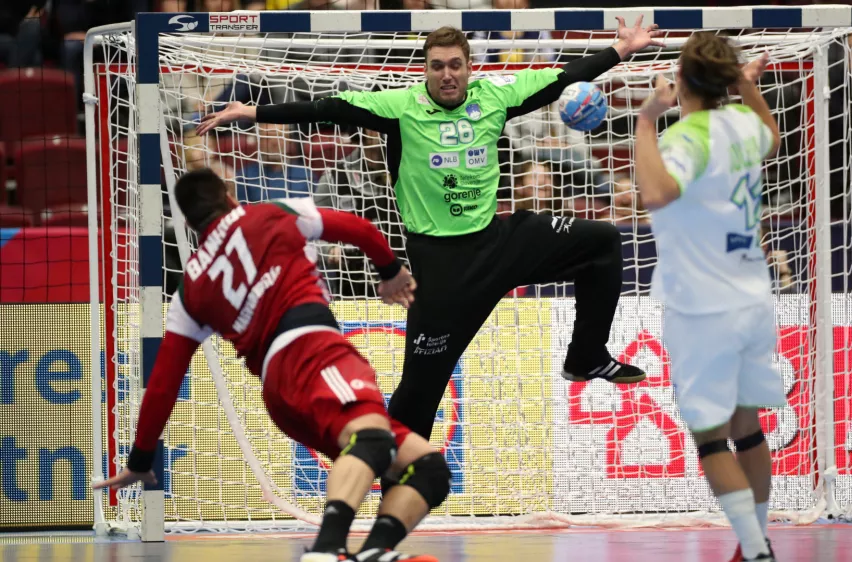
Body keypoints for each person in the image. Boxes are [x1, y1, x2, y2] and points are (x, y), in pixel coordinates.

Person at [196, 17, 664, 441]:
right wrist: (252, 114)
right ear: (425, 70)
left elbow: (563, 77)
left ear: (469, 68)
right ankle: (386, 485)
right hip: (442, 271)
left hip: (499, 241)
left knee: (603, 242)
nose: (447, 74)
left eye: (455, 65)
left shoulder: (494, 97)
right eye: (437, 66)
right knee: (416, 403)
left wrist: (622, 49)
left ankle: (586, 355)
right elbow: (328, 107)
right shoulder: (400, 107)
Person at [92, 169, 451, 562]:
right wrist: (390, 271)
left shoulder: (190, 287)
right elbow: (359, 228)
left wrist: (140, 460)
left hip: (280, 393)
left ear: (191, 225)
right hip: (312, 352)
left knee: (428, 468)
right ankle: (326, 549)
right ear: (229, 197)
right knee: (372, 440)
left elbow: (163, 383)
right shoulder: (269, 214)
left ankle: (373, 553)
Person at [633, 33, 780, 562]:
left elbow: (656, 193)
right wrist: (748, 89)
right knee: (748, 428)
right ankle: (756, 543)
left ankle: (757, 553)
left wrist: (646, 120)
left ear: (683, 80)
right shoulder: (742, 122)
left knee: (712, 439)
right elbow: (771, 135)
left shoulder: (685, 137)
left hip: (703, 306)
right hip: (753, 297)